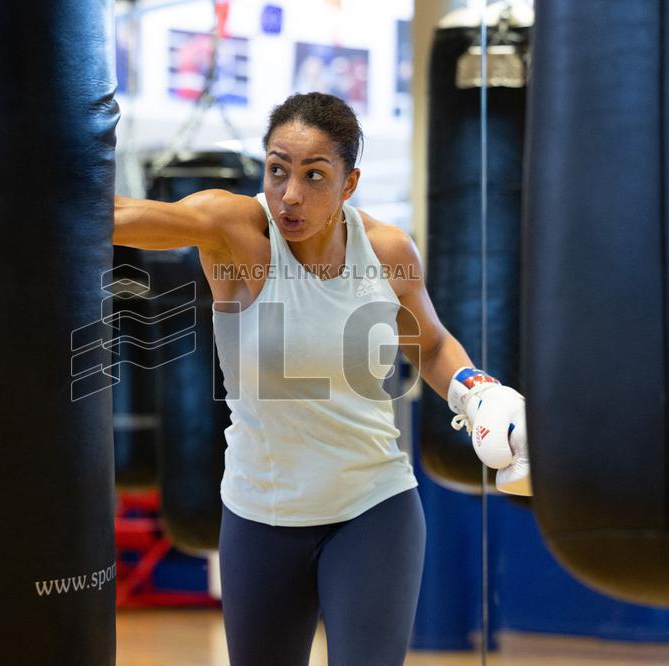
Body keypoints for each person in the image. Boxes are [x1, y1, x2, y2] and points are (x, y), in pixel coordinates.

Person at [113, 92, 530, 666]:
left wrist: (478, 391)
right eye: (278, 169)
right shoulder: (237, 231)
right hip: (260, 513)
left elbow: (430, 344)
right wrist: (32, 182)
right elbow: (123, 219)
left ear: (349, 183)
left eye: (314, 175)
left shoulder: (386, 252)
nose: (290, 194)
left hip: (372, 507)